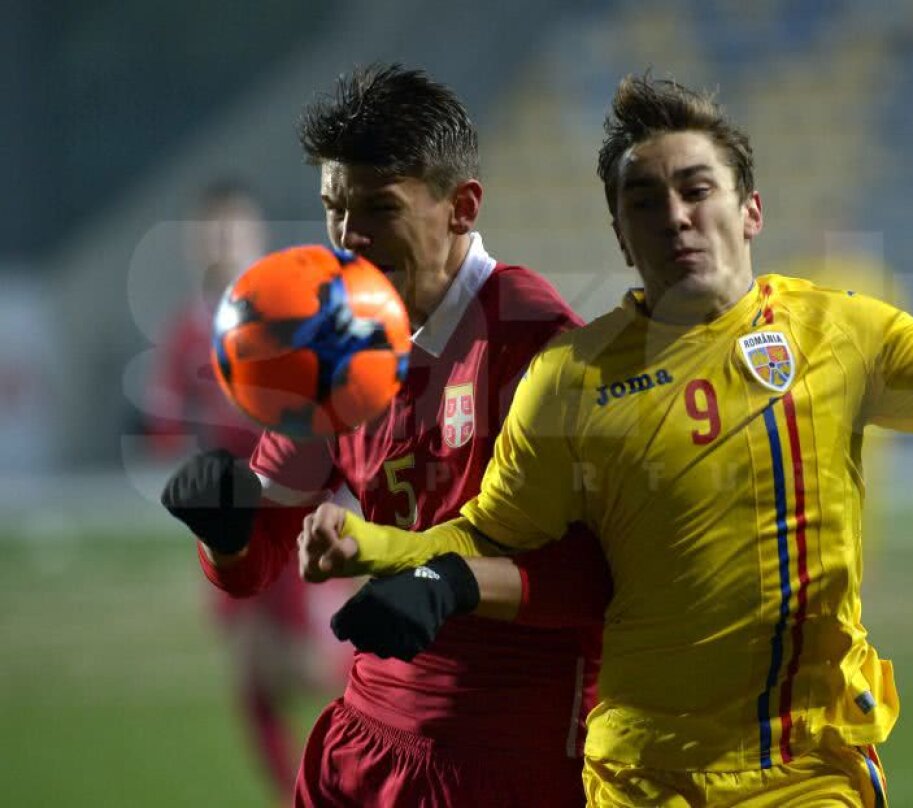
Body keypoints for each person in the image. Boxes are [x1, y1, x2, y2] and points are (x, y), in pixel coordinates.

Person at [299, 74, 913, 807]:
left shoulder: (844, 332)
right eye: (644, 201)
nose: (675, 216)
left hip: (805, 767)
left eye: (696, 189)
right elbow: (487, 533)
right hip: (638, 775)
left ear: (750, 210)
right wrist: (380, 549)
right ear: (621, 234)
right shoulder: (569, 378)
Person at [160, 65, 609, 807]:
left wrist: (450, 584)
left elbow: (600, 579)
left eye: (378, 208)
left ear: (462, 207)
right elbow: (255, 558)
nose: (349, 238)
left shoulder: (537, 345)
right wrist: (224, 528)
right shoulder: (333, 334)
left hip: (506, 760)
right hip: (363, 748)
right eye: (336, 208)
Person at [144, 181, 349, 802]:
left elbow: (332, 405)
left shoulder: (288, 316)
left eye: (232, 229)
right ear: (193, 242)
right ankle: (295, 795)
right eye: (211, 230)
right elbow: (165, 428)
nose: (220, 241)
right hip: (229, 520)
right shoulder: (185, 332)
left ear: (256, 239)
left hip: (291, 510)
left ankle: (380, 752)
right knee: (249, 670)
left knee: (313, 667)